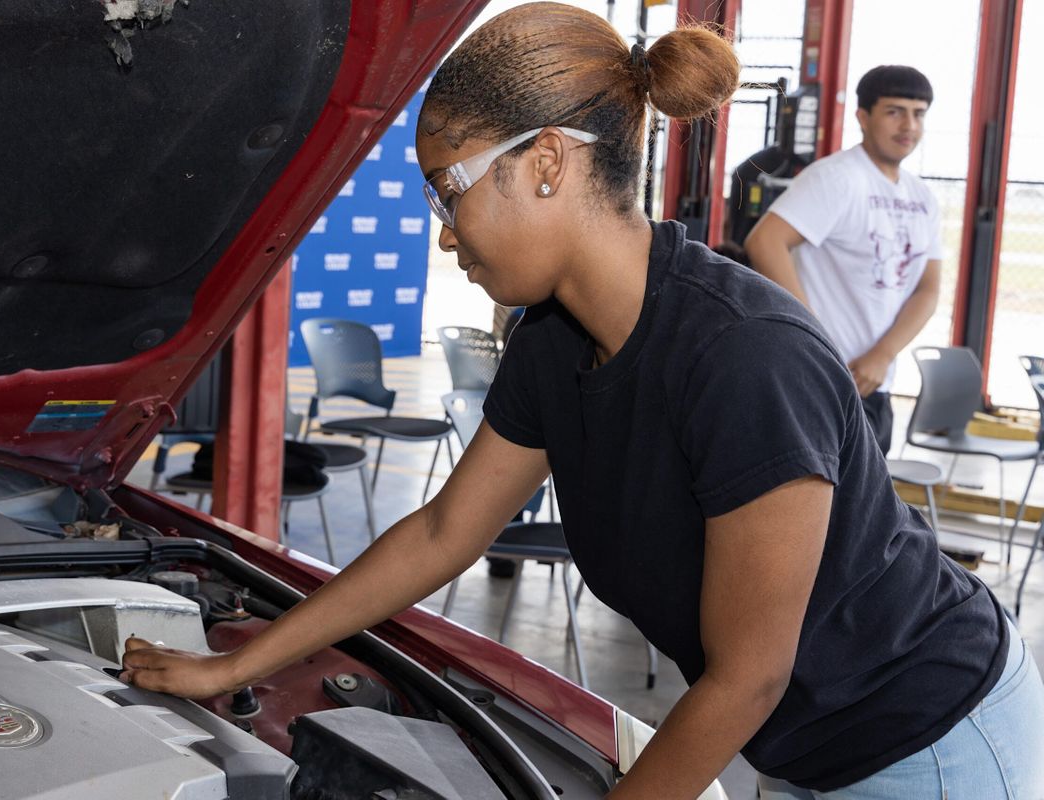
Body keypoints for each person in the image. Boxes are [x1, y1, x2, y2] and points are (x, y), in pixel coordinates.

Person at [120, 6, 1044, 798]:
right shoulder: (554, 342)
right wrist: (241, 662)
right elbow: (445, 532)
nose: (445, 238)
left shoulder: (745, 359)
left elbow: (749, 677)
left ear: (548, 163)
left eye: (449, 193)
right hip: (804, 739)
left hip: (934, 735)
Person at [744, 66, 943, 454]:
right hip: (823, 383)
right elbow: (765, 242)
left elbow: (928, 289)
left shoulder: (922, 197)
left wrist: (882, 354)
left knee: (864, 511)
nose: (908, 125)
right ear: (863, 117)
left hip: (875, 383)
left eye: (918, 113)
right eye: (894, 111)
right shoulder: (837, 178)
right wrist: (817, 340)